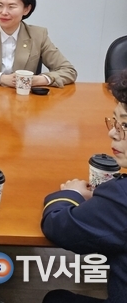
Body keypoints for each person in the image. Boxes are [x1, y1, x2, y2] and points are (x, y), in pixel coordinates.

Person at [41, 69, 127, 303]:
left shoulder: (121, 198)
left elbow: (59, 227)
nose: (113, 133)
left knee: (56, 300)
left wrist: (71, 194)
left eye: (125, 125)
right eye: (115, 121)